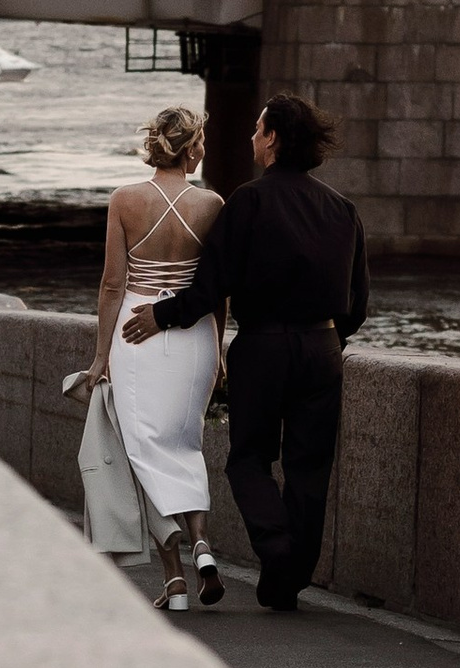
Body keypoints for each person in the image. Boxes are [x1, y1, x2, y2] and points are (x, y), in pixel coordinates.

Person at [123, 90, 366, 614]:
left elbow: (212, 285)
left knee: (249, 458)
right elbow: (358, 302)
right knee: (310, 465)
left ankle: (277, 552)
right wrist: (328, 340)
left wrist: (160, 316)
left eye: (258, 130)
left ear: (273, 137)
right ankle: (286, 581)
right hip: (323, 347)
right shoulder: (343, 210)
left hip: (264, 347)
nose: (251, 138)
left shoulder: (249, 202)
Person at [79, 103, 226, 616]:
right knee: (186, 442)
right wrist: (220, 343)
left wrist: (100, 357)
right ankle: (203, 543)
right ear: (193, 147)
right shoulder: (211, 204)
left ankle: (176, 581)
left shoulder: (124, 200)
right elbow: (216, 286)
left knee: (143, 452)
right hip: (193, 336)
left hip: (137, 331)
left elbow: (113, 284)